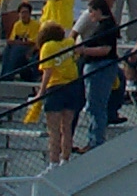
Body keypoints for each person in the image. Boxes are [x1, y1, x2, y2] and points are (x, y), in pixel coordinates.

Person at [33, 21, 82, 168]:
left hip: (55, 88)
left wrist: (40, 93)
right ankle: (65, 159)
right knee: (67, 128)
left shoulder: (48, 47)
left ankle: (53, 162)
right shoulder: (68, 43)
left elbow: (48, 72)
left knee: (53, 130)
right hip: (72, 87)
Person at [76, 0, 120, 151]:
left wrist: (83, 50)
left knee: (97, 105)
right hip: (95, 67)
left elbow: (106, 49)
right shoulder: (102, 25)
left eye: (91, 11)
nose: (90, 15)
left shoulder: (106, 26)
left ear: (99, 10)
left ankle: (96, 141)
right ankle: (93, 139)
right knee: (94, 105)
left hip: (101, 68)